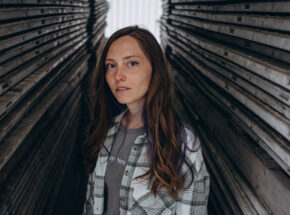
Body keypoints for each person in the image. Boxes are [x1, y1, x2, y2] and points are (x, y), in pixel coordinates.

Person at [82, 26, 210, 215]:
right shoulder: (106, 131)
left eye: (132, 63)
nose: (118, 76)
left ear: (155, 69)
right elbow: (91, 205)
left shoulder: (183, 144)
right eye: (111, 65)